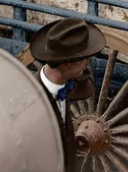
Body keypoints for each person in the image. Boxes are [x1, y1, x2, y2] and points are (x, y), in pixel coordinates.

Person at [28, 18, 106, 171]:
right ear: (68, 64)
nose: (86, 64)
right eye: (84, 59)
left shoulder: (71, 82)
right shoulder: (32, 105)